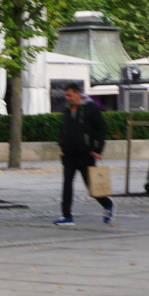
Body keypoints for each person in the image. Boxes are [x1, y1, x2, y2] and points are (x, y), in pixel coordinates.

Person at [55, 83, 115, 227]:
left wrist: (97, 149)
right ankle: (67, 216)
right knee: (67, 184)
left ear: (77, 93)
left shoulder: (90, 108)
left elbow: (101, 128)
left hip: (85, 154)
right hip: (69, 155)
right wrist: (62, 143)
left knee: (92, 186)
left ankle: (107, 204)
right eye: (66, 95)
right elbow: (65, 128)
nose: (67, 98)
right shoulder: (67, 110)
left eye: (69, 95)